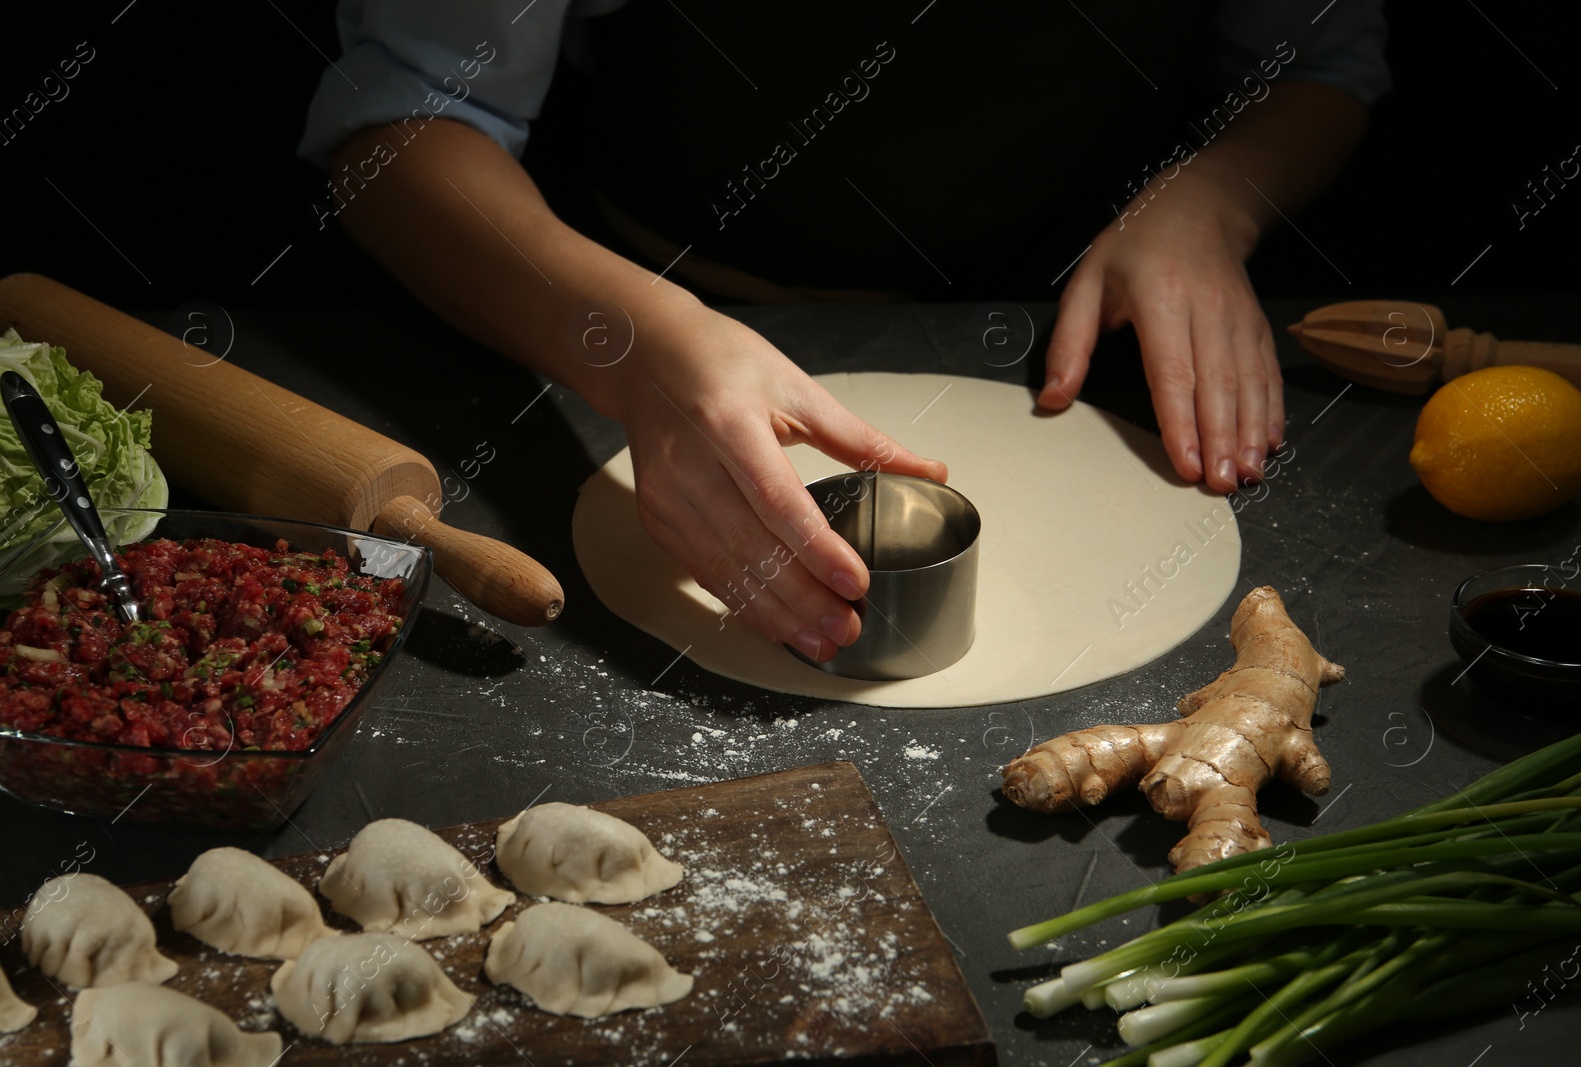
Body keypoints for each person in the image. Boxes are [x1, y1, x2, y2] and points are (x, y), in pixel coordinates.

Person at [299, 0, 1389, 663]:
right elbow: (401, 130)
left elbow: (1314, 65)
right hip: (652, 305)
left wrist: (1211, 203)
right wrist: (636, 348)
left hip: (1068, 336)